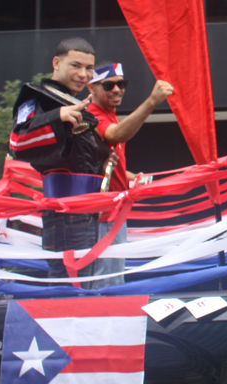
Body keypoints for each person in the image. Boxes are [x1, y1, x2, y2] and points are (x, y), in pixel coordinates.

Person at [9, 37, 113, 288]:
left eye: (89, 68)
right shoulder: (36, 97)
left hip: (87, 212)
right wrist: (58, 116)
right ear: (57, 62)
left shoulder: (77, 104)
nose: (83, 74)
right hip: (67, 214)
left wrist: (103, 157)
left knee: (87, 289)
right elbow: (17, 144)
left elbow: (76, 156)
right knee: (73, 290)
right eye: (75, 65)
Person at [87, 62, 174, 288]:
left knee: (112, 276)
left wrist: (130, 177)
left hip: (111, 209)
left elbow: (105, 165)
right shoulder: (91, 114)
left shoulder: (106, 114)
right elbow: (116, 135)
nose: (117, 89)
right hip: (101, 212)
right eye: (108, 85)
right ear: (92, 88)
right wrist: (152, 101)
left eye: (121, 84)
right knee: (107, 280)